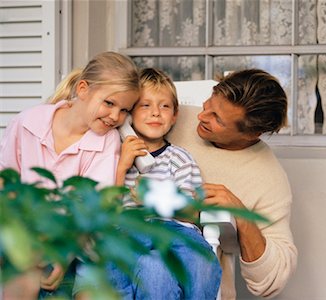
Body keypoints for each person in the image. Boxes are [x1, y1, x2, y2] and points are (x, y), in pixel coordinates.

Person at [0, 51, 141, 299]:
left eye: (124, 110)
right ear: (83, 89)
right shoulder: (27, 122)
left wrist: (63, 256)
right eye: (109, 103)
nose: (115, 117)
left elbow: (90, 209)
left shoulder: (106, 142)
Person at [167, 69, 298, 299]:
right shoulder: (171, 116)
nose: (201, 116)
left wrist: (242, 217)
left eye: (217, 119)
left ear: (251, 134)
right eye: (208, 103)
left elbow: (272, 281)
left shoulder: (269, 179)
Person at [102, 68, 221, 299]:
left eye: (164, 106)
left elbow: (193, 212)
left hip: (175, 230)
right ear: (128, 115)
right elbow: (108, 210)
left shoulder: (180, 158)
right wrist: (122, 166)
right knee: (142, 265)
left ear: (174, 115)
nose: (155, 113)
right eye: (145, 105)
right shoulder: (115, 156)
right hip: (130, 228)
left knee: (200, 260)